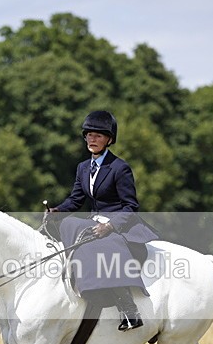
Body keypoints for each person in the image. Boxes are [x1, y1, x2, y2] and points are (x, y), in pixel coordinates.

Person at [48, 110, 158, 331]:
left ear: (108, 139)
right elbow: (76, 199)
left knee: (104, 244)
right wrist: (58, 210)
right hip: (94, 221)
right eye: (89, 135)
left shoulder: (120, 168)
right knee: (69, 223)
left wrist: (110, 226)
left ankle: (129, 310)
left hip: (120, 223)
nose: (92, 139)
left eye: (98, 136)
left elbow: (130, 207)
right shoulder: (83, 168)